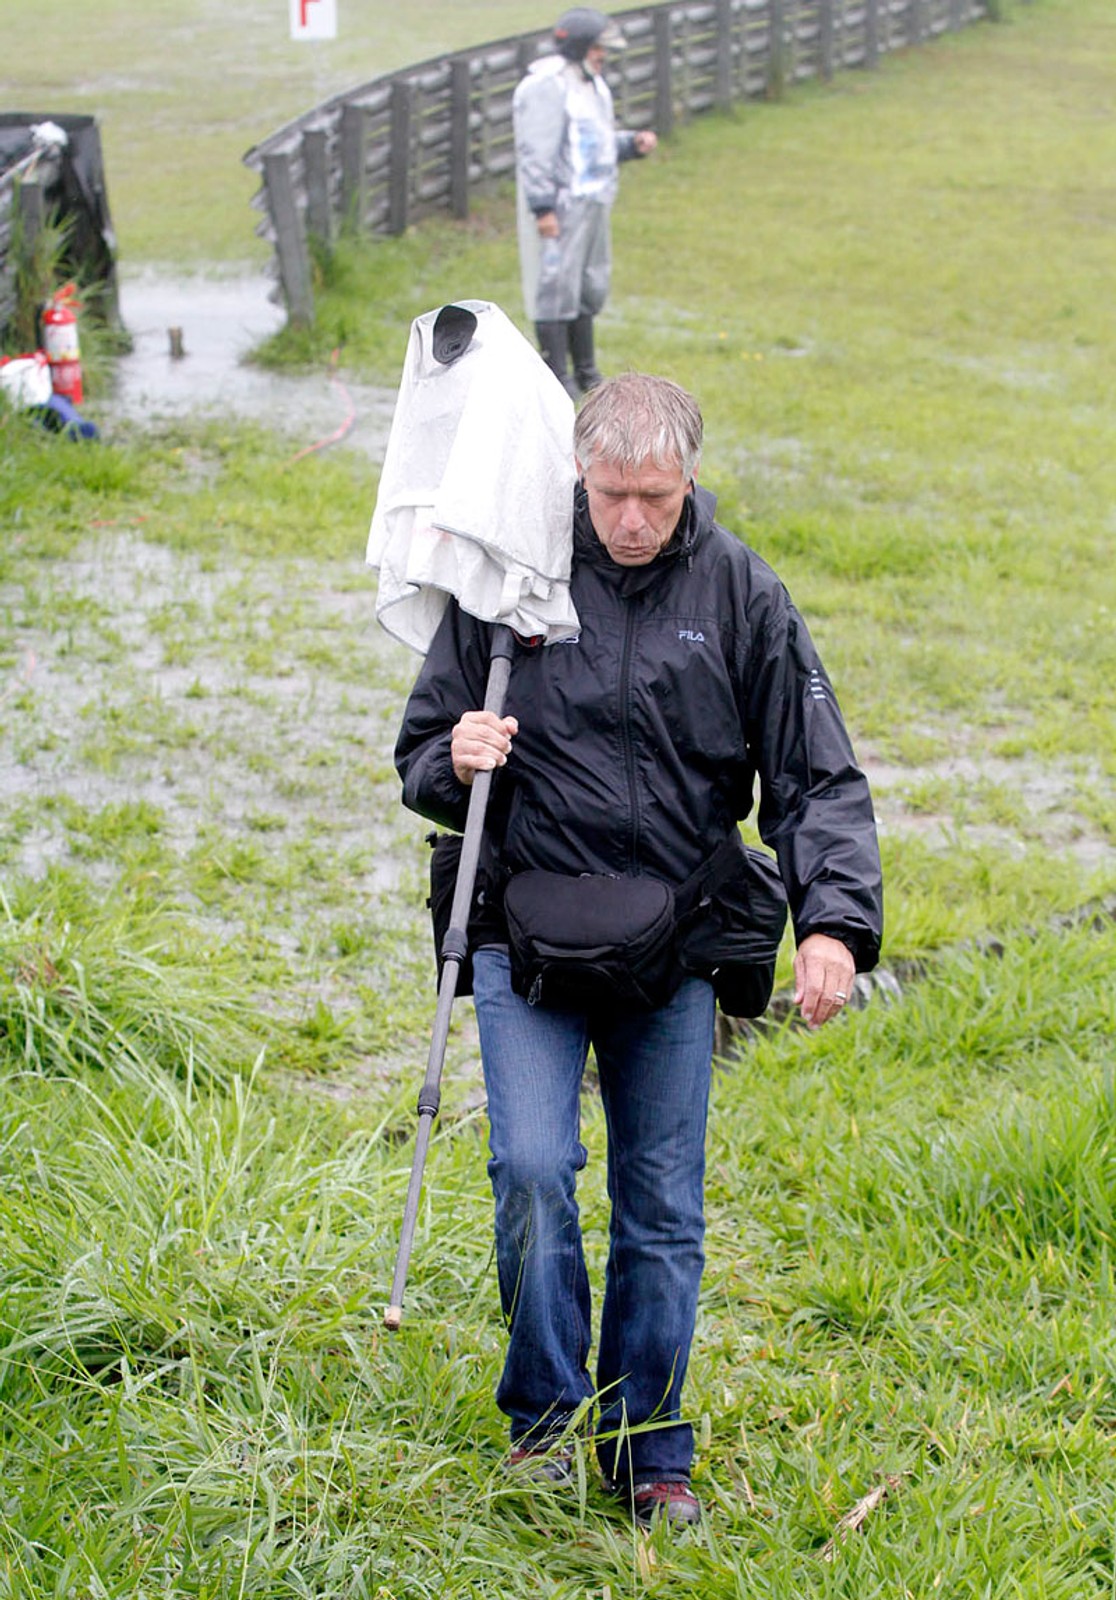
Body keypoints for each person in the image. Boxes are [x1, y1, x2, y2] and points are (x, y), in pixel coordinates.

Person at [394, 374, 883, 1529]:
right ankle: (549, 1422)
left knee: (660, 1203)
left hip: (673, 941)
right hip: (528, 935)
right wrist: (452, 753)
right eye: (611, 494)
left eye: (654, 499)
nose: (629, 521)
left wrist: (832, 922)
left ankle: (649, 1447)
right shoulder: (513, 581)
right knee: (528, 1168)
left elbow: (816, 772)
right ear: (579, 474)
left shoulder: (741, 591)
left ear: (689, 481)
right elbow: (421, 748)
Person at [513, 7, 658, 399]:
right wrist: (543, 207)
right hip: (561, 206)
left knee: (588, 284)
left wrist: (630, 145)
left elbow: (594, 140)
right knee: (556, 287)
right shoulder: (546, 85)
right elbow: (536, 151)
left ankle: (587, 371)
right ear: (578, 45)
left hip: (593, 202)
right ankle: (555, 376)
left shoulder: (591, 84)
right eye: (597, 47)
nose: (602, 55)